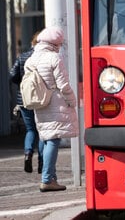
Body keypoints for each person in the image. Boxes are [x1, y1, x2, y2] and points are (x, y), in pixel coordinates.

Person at [24, 26, 79, 192]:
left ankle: (51, 178)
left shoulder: (31, 59)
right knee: (53, 140)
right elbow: (63, 85)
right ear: (55, 43)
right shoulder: (54, 58)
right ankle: (47, 179)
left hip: (39, 103)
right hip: (55, 102)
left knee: (47, 138)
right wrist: (72, 100)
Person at [8, 31, 41, 173]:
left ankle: (28, 154)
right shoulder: (44, 57)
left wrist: (22, 83)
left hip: (24, 99)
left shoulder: (22, 57)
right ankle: (42, 161)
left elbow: (12, 75)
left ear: (32, 43)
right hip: (41, 99)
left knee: (30, 129)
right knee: (42, 131)